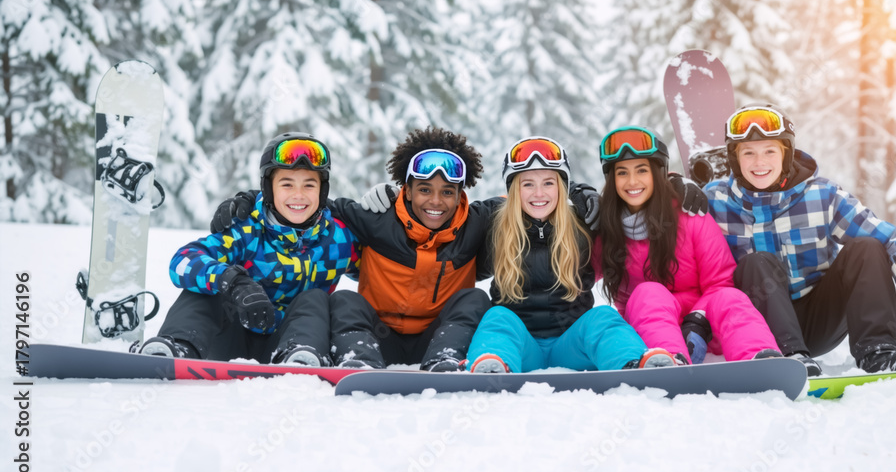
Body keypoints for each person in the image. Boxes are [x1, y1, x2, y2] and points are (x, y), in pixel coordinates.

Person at [212, 127, 501, 371]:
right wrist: (251, 199)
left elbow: (522, 201)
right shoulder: (374, 217)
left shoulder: (476, 223)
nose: (435, 201)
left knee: (475, 298)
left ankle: (445, 361)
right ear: (407, 190)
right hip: (379, 338)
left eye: (447, 192)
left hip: (439, 336)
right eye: (424, 189)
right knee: (344, 301)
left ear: (461, 194)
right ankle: (359, 361)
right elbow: (309, 203)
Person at [705, 104, 896, 374]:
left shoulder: (823, 196)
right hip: (759, 327)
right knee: (755, 262)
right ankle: (791, 359)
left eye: (770, 151)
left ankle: (878, 352)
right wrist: (677, 191)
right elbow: (671, 234)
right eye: (748, 153)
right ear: (734, 159)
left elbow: (890, 239)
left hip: (820, 318)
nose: (759, 162)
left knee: (867, 247)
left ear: (786, 154)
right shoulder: (714, 201)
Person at [134, 133, 360, 366]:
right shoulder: (247, 230)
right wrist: (233, 282)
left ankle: (300, 359)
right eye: (287, 184)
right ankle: (178, 347)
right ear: (269, 189)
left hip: (296, 343)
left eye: (309, 185)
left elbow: (378, 269)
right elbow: (182, 262)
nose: (298, 195)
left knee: (315, 299)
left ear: (322, 191)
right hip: (235, 337)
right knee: (206, 288)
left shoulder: (340, 239)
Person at [465, 137, 674, 373]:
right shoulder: (495, 226)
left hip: (572, 345)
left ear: (562, 186)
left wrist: (676, 187)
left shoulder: (584, 223)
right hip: (520, 349)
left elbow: (634, 206)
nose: (539, 193)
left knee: (603, 316)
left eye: (548, 183)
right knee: (498, 317)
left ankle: (632, 363)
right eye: (528, 184)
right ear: (514, 189)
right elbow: (449, 226)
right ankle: (490, 367)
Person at [592, 126, 783, 367]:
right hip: (647, 331)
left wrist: (697, 319)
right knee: (648, 292)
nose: (632, 181)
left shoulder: (689, 215)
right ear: (612, 179)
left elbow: (719, 281)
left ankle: (760, 358)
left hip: (704, 328)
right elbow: (576, 276)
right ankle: (668, 361)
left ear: (658, 174)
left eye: (642, 170)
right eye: (622, 173)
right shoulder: (606, 229)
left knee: (730, 296)